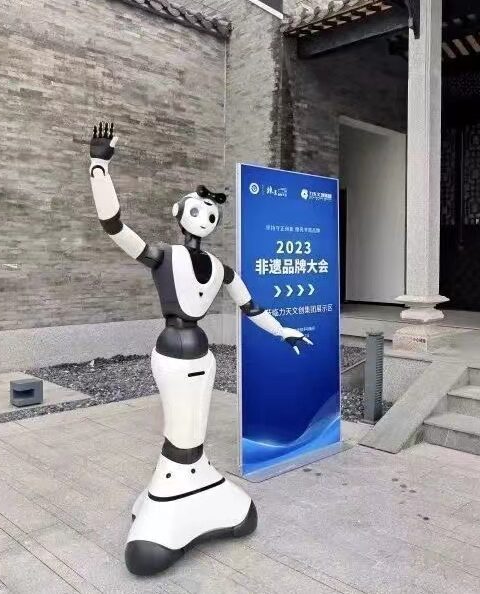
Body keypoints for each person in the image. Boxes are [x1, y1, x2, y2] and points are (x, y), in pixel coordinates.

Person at [88, 123, 312, 575]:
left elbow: (252, 307)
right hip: (174, 351)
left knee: (195, 425)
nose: (204, 218)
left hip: (201, 356)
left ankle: (191, 477)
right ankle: (176, 482)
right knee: (181, 425)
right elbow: (115, 227)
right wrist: (99, 166)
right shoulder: (164, 255)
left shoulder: (219, 267)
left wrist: (283, 331)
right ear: (180, 213)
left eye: (211, 214)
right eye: (198, 209)